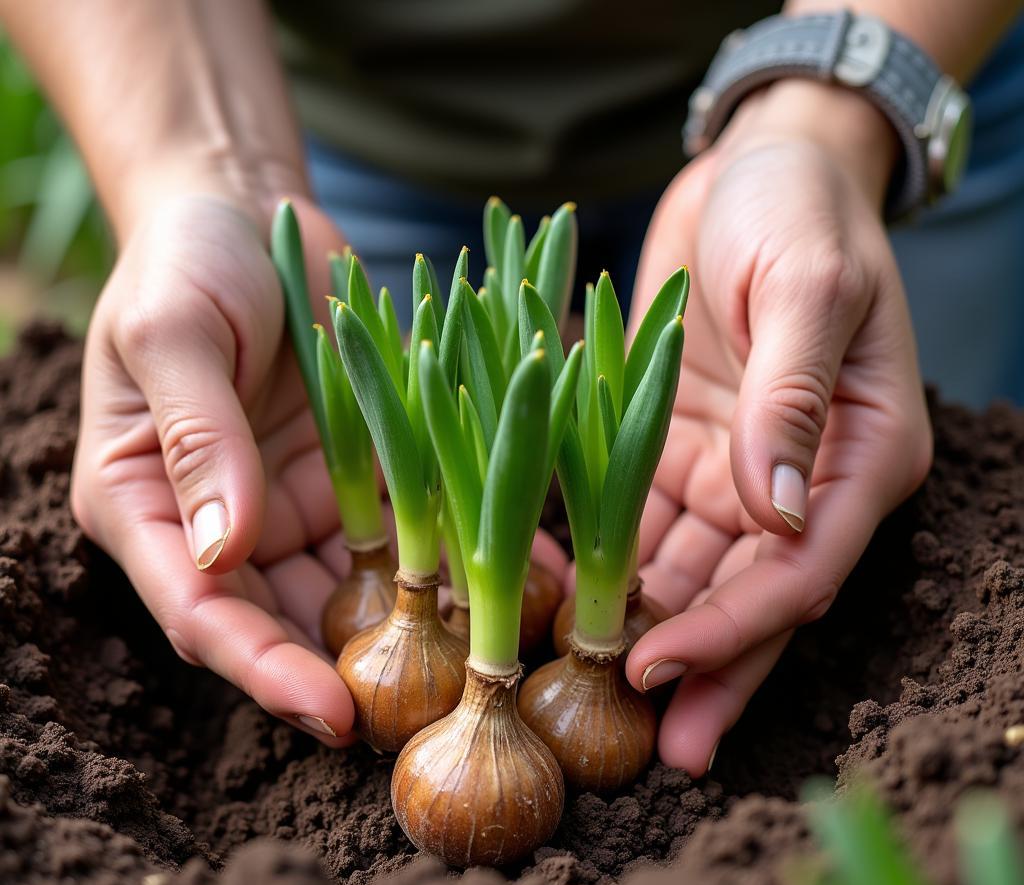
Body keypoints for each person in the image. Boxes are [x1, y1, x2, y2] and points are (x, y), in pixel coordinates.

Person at [2, 1, 1021, 777]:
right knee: (380, 388)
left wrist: (831, 116)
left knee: (899, 503)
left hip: (880, 53)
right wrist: (203, 165)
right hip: (356, 124)